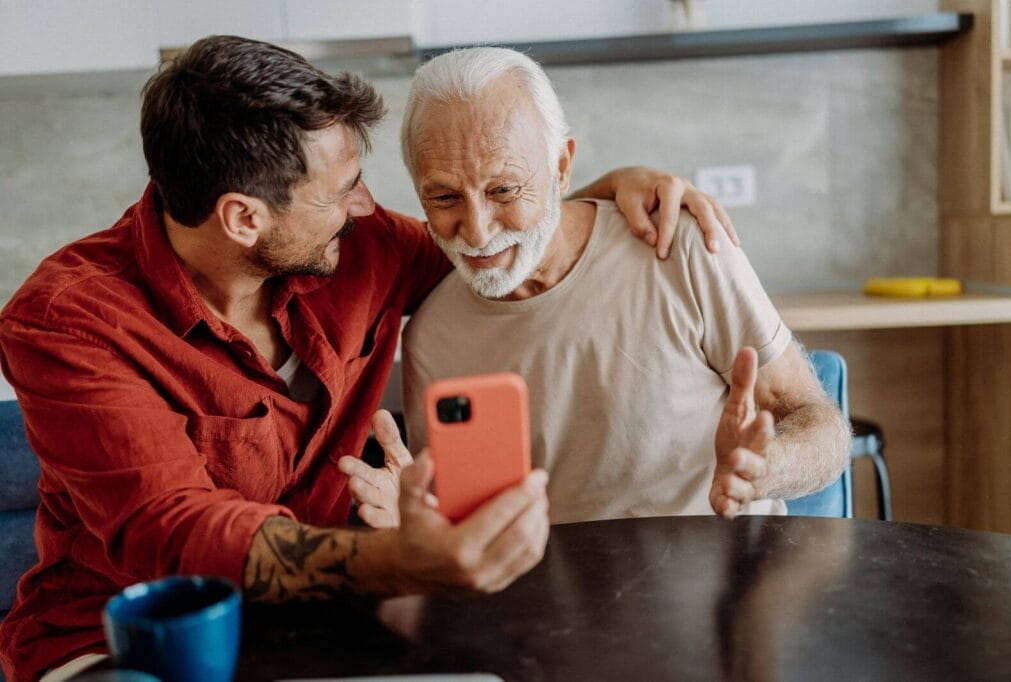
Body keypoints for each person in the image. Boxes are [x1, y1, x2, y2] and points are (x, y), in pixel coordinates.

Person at [0, 36, 732, 681]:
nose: (365, 206)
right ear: (244, 217)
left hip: (320, 629)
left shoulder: (362, 247)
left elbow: (490, 245)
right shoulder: (67, 320)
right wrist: (400, 560)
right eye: (341, 191)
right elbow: (174, 532)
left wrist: (601, 190)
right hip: (123, 646)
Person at [395, 47, 851, 525]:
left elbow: (822, 426)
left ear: (561, 167)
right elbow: (461, 529)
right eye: (445, 197)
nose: (478, 231)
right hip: (551, 598)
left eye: (504, 190)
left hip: (732, 578)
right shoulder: (432, 338)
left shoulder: (679, 244)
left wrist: (766, 468)